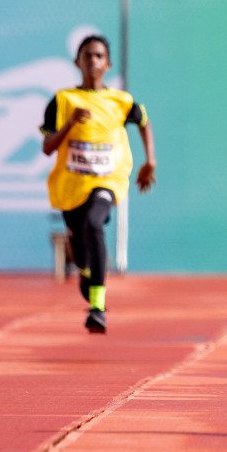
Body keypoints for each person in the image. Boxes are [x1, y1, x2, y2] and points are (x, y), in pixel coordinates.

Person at [39, 33, 156, 334]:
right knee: (80, 240)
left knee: (94, 223)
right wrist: (70, 123)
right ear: (77, 62)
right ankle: (84, 270)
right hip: (71, 185)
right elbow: (48, 147)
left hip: (109, 178)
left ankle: (98, 307)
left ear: (108, 64)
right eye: (87, 55)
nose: (93, 61)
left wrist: (149, 161)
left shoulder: (121, 100)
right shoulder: (63, 100)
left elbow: (143, 121)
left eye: (98, 56)